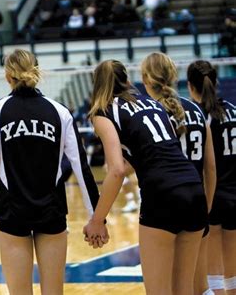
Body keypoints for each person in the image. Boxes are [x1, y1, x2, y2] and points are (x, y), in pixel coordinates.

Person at [0, 49, 101, 295]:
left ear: (8, 76)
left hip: (12, 210)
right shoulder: (60, 111)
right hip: (52, 209)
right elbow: (82, 167)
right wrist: (97, 219)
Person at [84, 60, 208, 294]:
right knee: (184, 290)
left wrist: (97, 220)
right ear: (127, 79)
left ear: (98, 85)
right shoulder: (152, 102)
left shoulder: (103, 112)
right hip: (193, 187)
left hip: (162, 193)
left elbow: (117, 170)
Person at [142, 53, 217, 294]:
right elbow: (211, 167)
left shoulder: (150, 113)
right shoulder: (196, 110)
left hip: (165, 201)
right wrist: (207, 206)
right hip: (196, 202)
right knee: (192, 286)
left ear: (145, 78)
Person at [186, 60, 236, 294]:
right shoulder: (234, 111)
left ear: (189, 86)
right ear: (216, 83)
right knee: (233, 269)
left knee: (212, 269)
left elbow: (208, 166)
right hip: (235, 194)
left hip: (214, 195)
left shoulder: (199, 116)